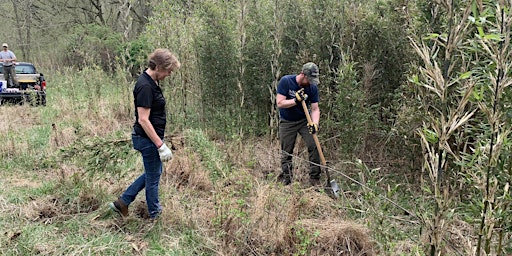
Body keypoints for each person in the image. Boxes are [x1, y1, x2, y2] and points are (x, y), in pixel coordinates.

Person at [109, 48, 181, 220]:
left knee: (153, 173)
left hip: (150, 137)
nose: (169, 74)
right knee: (154, 178)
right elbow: (143, 119)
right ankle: (155, 215)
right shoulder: (145, 86)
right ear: (157, 67)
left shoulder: (153, 82)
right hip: (146, 139)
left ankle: (123, 202)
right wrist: (160, 145)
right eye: (167, 70)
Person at [276, 62, 321, 186]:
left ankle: (315, 178)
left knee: (314, 145)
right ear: (303, 75)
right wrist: (295, 100)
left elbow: (315, 109)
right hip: (287, 122)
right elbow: (280, 103)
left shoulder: (312, 87)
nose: (311, 82)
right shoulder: (286, 81)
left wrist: (315, 124)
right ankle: (287, 178)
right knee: (287, 151)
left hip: (303, 121)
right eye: (309, 79)